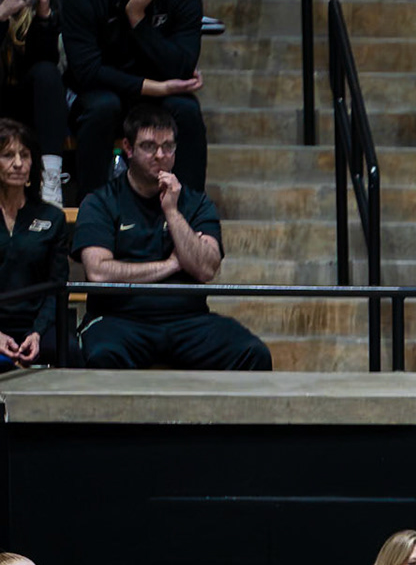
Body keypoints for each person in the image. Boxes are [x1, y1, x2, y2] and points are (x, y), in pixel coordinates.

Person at [74, 103, 272, 372]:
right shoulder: (99, 203)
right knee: (102, 355)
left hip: (187, 320)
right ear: (128, 148)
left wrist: (172, 211)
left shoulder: (195, 203)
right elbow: (98, 272)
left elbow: (205, 268)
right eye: (148, 146)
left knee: (253, 353)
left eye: (168, 147)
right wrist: (171, 265)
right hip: (118, 319)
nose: (160, 155)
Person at [60, 0, 204, 201]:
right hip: (99, 91)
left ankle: (190, 210)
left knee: (185, 109)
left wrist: (139, 20)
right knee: (102, 106)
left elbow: (181, 64)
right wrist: (155, 86)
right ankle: (92, 208)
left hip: (153, 97)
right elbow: (88, 71)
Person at [0, 0, 69, 207]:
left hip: (27, 100)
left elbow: (47, 62)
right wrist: (2, 14)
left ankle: (51, 177)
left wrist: (44, 16)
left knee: (47, 74)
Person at [0, 119, 68, 369]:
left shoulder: (53, 218)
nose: (18, 163)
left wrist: (37, 332)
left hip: (36, 323)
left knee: (72, 352)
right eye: (7, 155)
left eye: (25, 155)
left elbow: (56, 287)